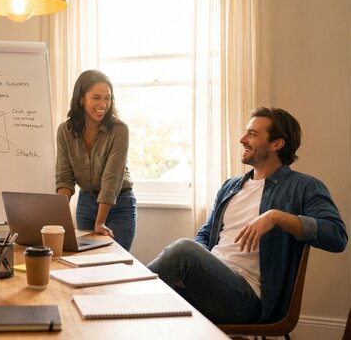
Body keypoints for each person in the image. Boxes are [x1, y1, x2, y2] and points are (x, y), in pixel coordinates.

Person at [147, 107, 347, 324]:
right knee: (158, 306)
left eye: (252, 134)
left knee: (182, 251)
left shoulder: (304, 186)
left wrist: (276, 217)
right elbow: (204, 236)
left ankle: (120, 301)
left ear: (276, 144)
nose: (242, 139)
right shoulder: (230, 187)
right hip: (212, 287)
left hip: (249, 299)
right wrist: (192, 273)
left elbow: (336, 236)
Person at [55, 70, 137, 251]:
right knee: (87, 263)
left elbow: (112, 178)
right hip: (86, 204)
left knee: (113, 262)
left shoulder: (119, 130)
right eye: (96, 98)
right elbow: (65, 178)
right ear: (81, 99)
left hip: (119, 205)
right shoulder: (64, 131)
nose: (103, 104)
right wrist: (56, 218)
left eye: (107, 98)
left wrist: (100, 222)